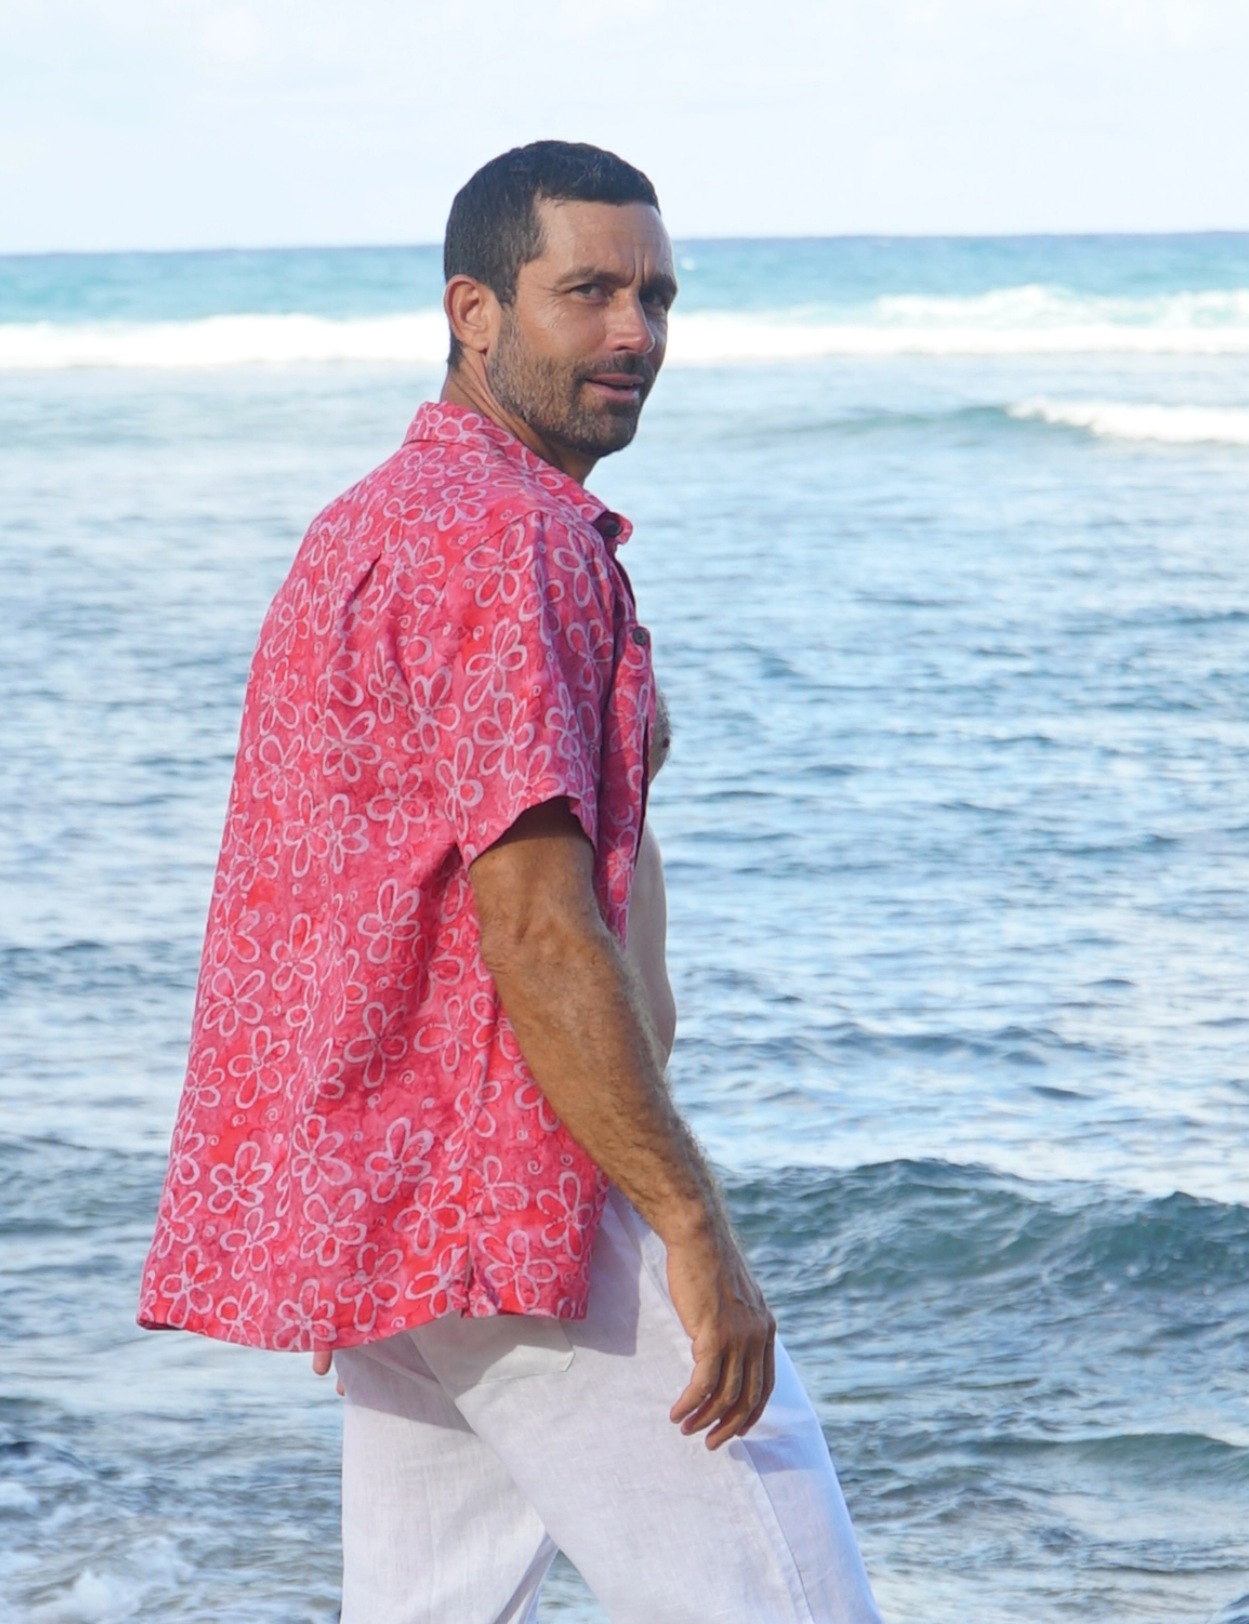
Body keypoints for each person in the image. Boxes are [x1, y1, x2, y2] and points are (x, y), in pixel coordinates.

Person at [138, 140, 884, 1624]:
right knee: (789, 1594)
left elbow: (333, 888)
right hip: (508, 1190)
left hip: (389, 1189)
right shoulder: (512, 542)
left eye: (659, 297)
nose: (636, 333)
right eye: (589, 292)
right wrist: (692, 1226)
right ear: (474, 310)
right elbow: (535, 926)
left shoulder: (368, 525)